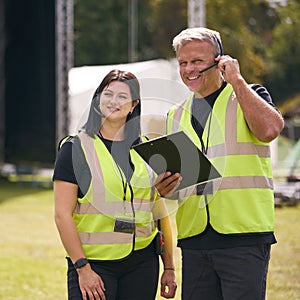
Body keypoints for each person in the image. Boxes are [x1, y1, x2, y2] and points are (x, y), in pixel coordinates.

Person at [155, 27, 285, 300]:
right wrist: (167, 188)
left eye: (198, 61)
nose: (189, 69)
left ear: (220, 60)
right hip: (195, 240)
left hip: (243, 236)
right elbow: (184, 182)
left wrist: (237, 80)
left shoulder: (248, 96)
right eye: (183, 63)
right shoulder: (175, 114)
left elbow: (270, 130)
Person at [53, 69, 177, 300]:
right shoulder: (75, 148)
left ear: (133, 105)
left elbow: (159, 212)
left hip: (143, 263)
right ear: (98, 99)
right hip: (95, 266)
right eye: (108, 94)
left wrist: (168, 267)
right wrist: (82, 268)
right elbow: (62, 215)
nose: (113, 101)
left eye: (122, 96)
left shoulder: (148, 150)